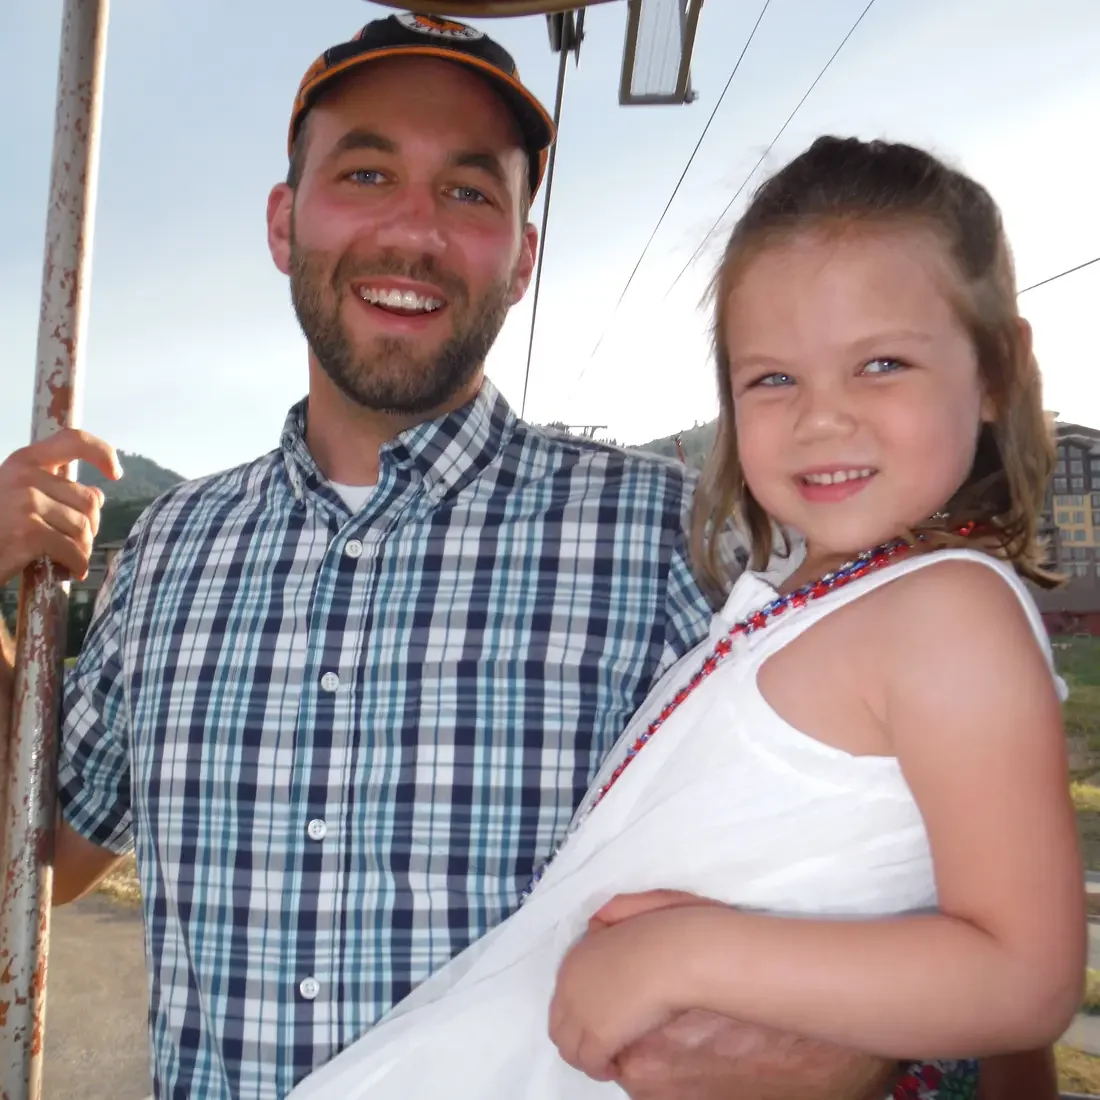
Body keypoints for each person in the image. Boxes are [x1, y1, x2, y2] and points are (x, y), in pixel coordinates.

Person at [0, 11, 1059, 1099]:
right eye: (365, 174)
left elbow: (935, 890)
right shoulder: (168, 549)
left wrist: (855, 1060)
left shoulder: (691, 541)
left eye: (469, 193)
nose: (414, 230)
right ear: (283, 222)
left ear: (523, 258)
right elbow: (46, 859)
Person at [275, 137, 1086, 1100]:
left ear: (997, 369)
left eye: (881, 363)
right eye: (772, 378)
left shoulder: (949, 612)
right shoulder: (798, 599)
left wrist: (684, 956)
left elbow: (1025, 979)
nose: (822, 418)